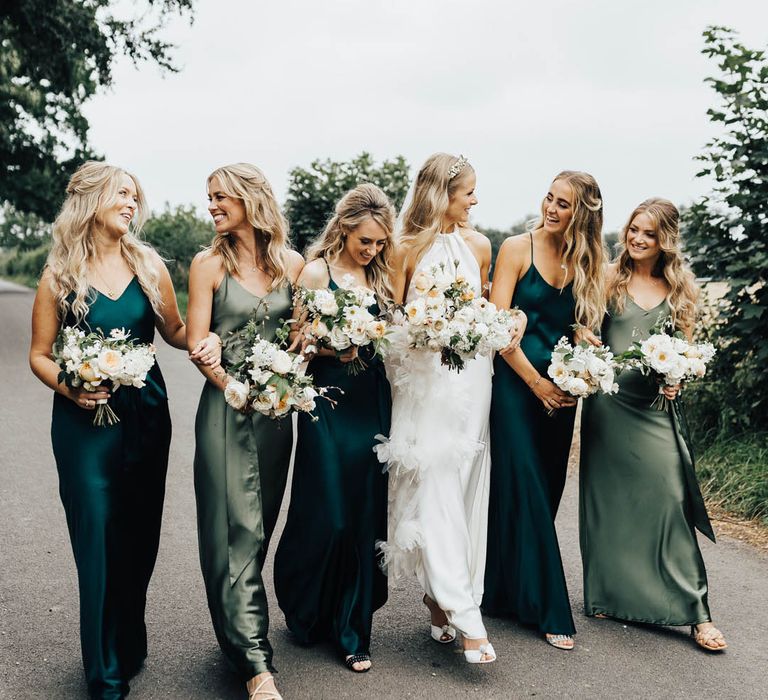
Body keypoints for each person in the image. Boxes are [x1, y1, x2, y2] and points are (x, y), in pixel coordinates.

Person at [29, 161, 220, 699]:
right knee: (96, 532)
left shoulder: (148, 264)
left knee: (138, 534)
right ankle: (104, 669)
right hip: (81, 423)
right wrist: (71, 386)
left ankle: (127, 640)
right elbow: (40, 355)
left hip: (146, 414)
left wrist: (209, 338)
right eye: (122, 194)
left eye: (136, 196)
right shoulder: (59, 274)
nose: (132, 204)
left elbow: (177, 330)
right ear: (91, 200)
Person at [376, 153, 524, 664]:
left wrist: (508, 323)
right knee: (435, 484)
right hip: (426, 384)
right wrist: (426, 332)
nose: (475, 201)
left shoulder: (480, 245)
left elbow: (486, 309)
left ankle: (440, 603)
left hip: (473, 381)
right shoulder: (403, 249)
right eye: (468, 192)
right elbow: (391, 323)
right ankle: (467, 616)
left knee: (464, 489)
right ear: (442, 193)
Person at [578, 197, 727, 652]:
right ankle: (609, 594)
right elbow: (587, 332)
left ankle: (697, 614)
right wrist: (585, 341)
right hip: (608, 407)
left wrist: (678, 378)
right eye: (634, 230)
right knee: (609, 502)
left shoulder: (680, 289)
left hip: (654, 411)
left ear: (666, 240)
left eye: (649, 233)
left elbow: (686, 350)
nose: (638, 239)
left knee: (669, 499)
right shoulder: (608, 278)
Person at [186, 163, 304, 700]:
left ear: (251, 198)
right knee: (232, 530)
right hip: (224, 411)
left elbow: (303, 340)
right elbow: (197, 340)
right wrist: (222, 375)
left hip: (277, 416)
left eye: (220, 196)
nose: (211, 204)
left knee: (259, 528)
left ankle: (236, 632)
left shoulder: (293, 265)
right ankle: (257, 663)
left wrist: (291, 378)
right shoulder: (207, 264)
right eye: (208, 197)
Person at [274, 183, 395, 673]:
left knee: (364, 514)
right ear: (345, 229)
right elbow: (298, 339)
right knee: (327, 511)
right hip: (326, 400)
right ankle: (306, 606)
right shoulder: (315, 271)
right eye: (366, 241)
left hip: (371, 402)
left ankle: (352, 628)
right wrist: (331, 347)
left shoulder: (382, 276)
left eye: (381, 243)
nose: (373, 251)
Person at [483, 171, 605, 650]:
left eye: (564, 204)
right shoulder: (516, 248)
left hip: (561, 392)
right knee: (528, 487)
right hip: (516, 387)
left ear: (583, 214)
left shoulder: (590, 258)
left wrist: (584, 346)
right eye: (549, 198)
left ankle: (503, 594)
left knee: (545, 490)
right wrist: (535, 385)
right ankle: (549, 608)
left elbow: (576, 323)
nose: (552, 209)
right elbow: (496, 329)